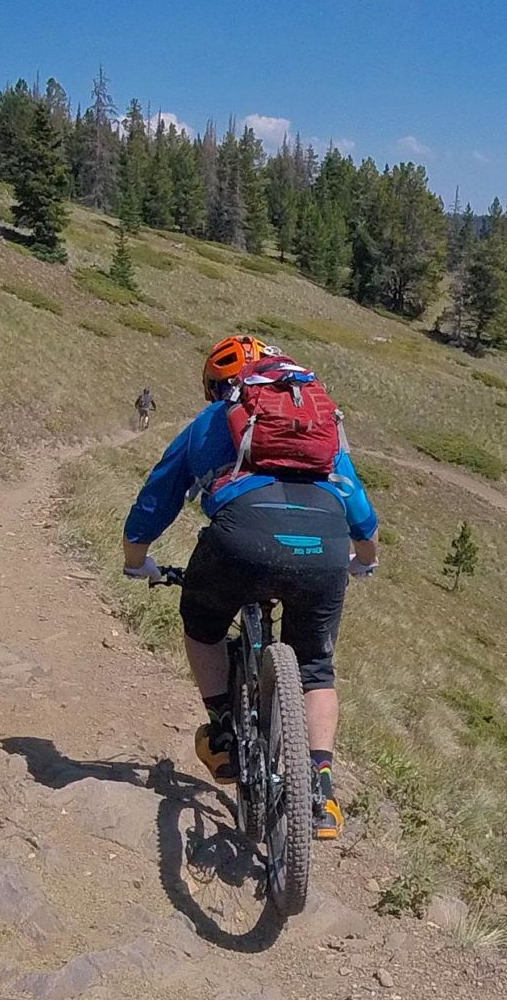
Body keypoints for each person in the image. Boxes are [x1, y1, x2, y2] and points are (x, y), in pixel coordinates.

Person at [122, 336, 378, 840]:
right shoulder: (315, 422)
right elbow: (357, 503)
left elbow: (159, 494)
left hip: (243, 537)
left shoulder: (213, 421)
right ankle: (320, 788)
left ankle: (221, 731)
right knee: (316, 670)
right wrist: (362, 560)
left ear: (221, 388)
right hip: (324, 541)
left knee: (203, 622)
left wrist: (138, 561)